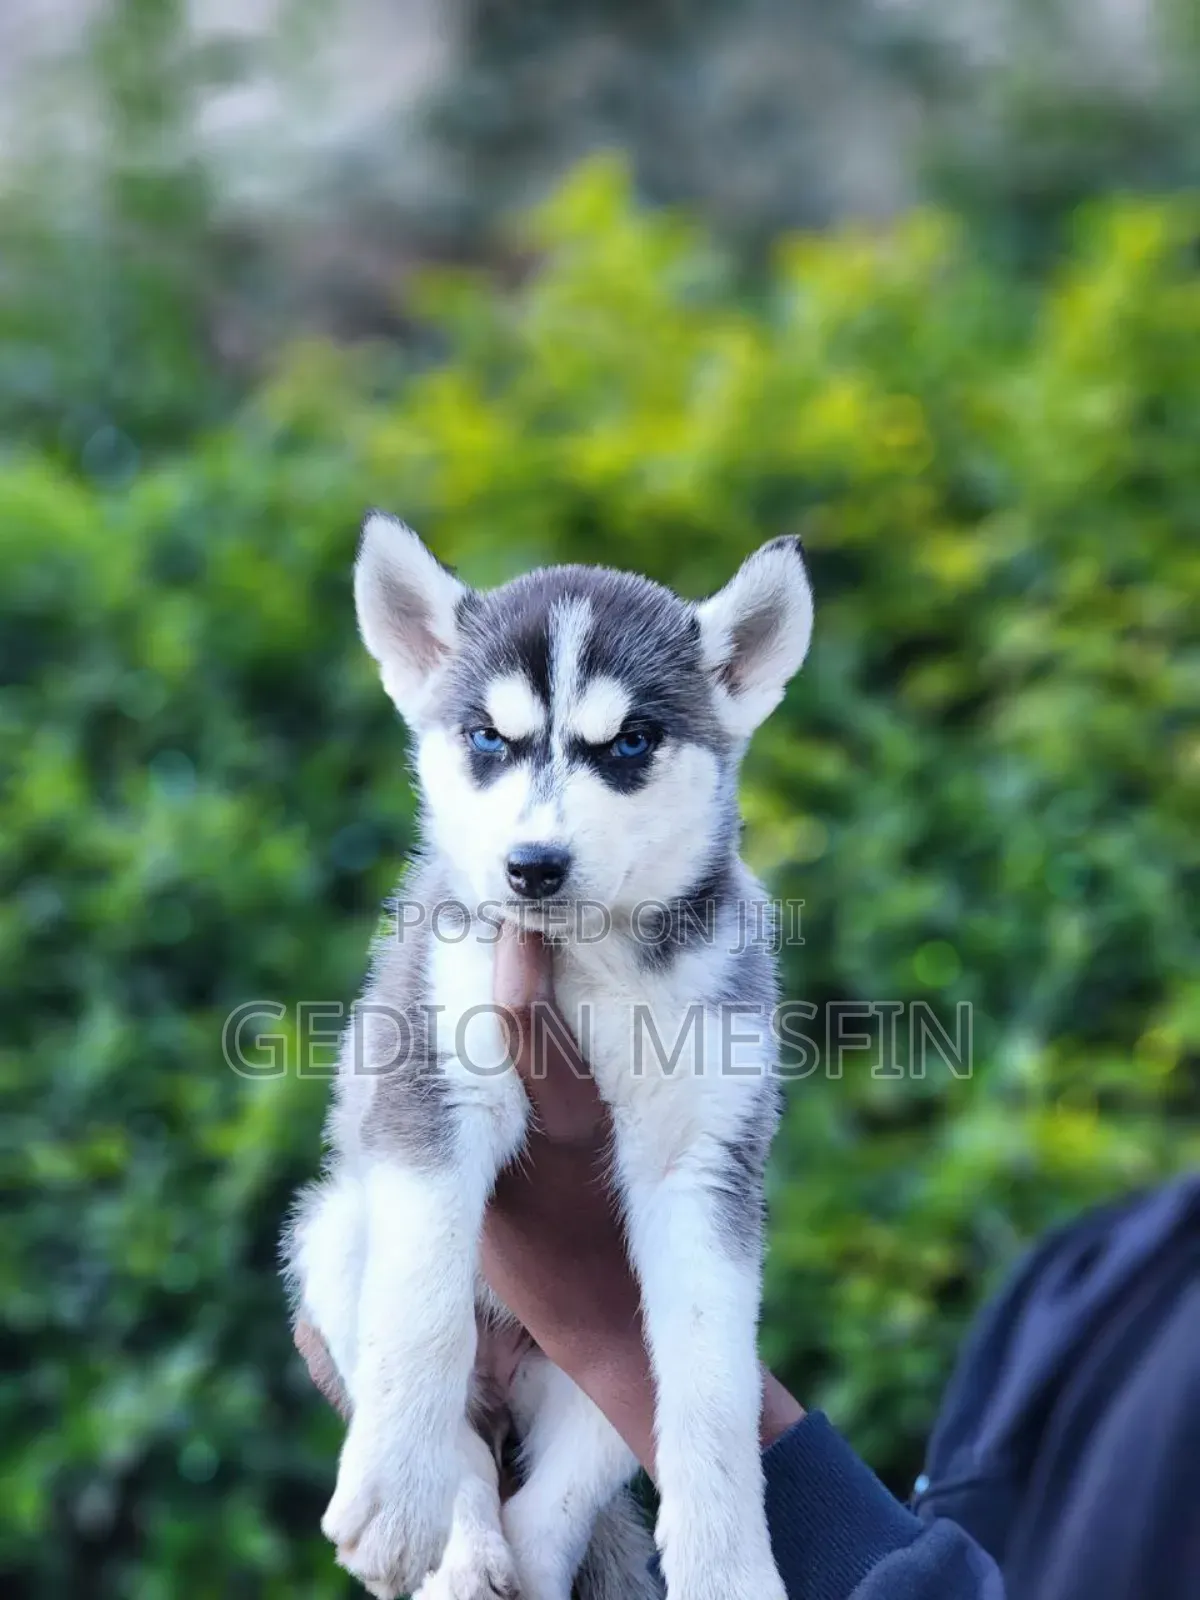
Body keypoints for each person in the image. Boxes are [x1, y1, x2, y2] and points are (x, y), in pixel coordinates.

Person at [297, 927, 1200, 1599]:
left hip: (599, 1417)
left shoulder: (1100, 1296)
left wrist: (609, 1336)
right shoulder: (1084, 1291)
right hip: (471, 1414)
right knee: (338, 1241)